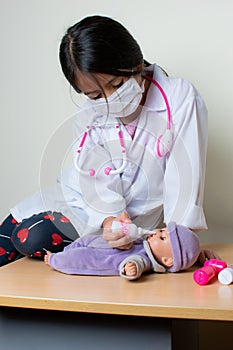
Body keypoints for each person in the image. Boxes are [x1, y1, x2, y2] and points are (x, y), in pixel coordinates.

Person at [0, 15, 218, 267]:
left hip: (127, 226)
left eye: (117, 84)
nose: (110, 100)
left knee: (30, 236)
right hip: (82, 200)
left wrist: (181, 246)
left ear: (134, 60)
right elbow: (94, 178)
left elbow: (185, 179)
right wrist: (109, 219)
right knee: (7, 239)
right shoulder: (87, 114)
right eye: (94, 95)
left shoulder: (179, 97)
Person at [44, 221, 201, 280]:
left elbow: (138, 263)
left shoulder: (145, 258)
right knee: (80, 243)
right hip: (96, 242)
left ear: (167, 260)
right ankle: (62, 253)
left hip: (98, 258)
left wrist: (131, 268)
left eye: (161, 238)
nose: (156, 233)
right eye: (161, 230)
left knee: (78, 259)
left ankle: (54, 260)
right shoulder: (145, 242)